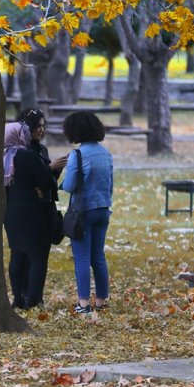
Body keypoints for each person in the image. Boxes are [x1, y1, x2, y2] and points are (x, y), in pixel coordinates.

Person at [60, 111, 113, 314]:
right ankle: (101, 300)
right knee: (98, 256)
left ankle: (83, 303)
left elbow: (70, 185)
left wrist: (61, 183)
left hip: (83, 212)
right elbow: (110, 184)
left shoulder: (78, 155)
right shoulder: (105, 153)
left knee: (82, 257)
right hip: (103, 209)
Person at [2, 121, 57, 310]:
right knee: (37, 257)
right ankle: (32, 300)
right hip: (32, 213)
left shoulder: (2, 158)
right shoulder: (28, 156)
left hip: (10, 214)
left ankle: (17, 298)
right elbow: (45, 182)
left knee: (17, 255)